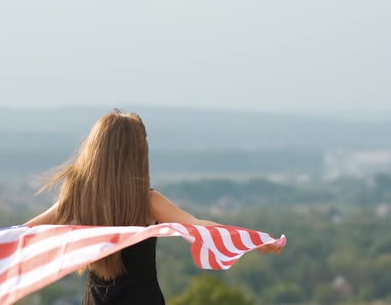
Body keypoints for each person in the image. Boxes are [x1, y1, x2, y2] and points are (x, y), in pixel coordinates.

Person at [24, 109, 279, 304]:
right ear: (136, 154)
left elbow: (27, 232)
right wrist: (252, 240)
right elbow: (198, 227)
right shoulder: (147, 201)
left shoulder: (77, 194)